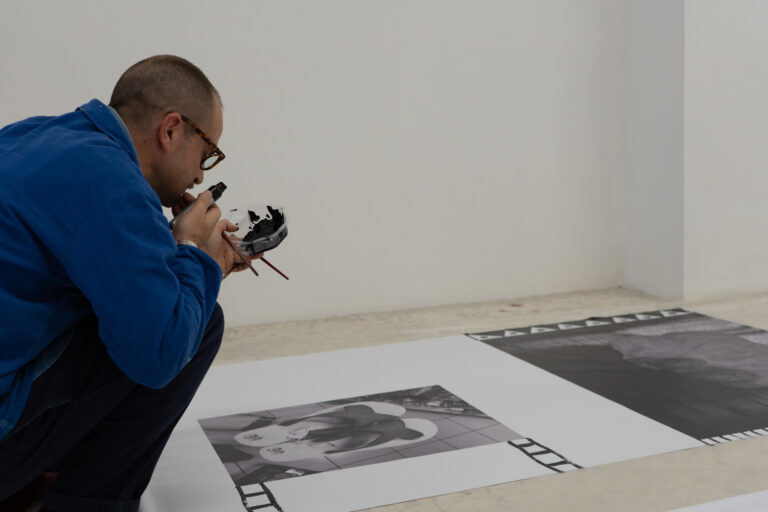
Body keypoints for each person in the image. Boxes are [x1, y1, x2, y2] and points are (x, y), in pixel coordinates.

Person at [0, 55, 258, 512]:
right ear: (172, 129)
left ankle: (35, 481)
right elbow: (158, 354)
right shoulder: (112, 183)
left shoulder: (34, 134)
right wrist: (202, 261)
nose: (201, 176)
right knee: (196, 325)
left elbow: (96, 248)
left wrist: (175, 243)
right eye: (207, 154)